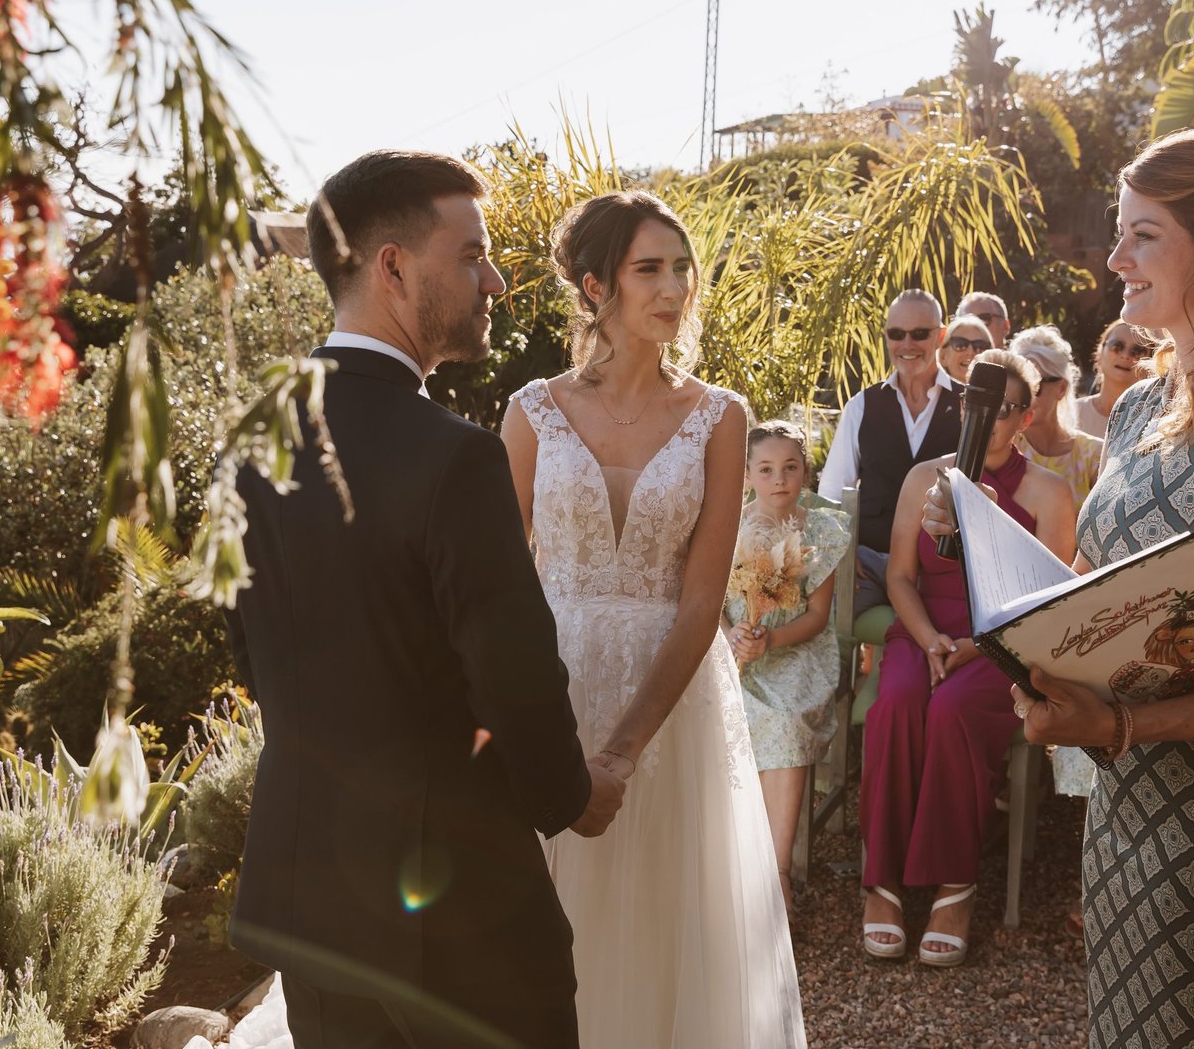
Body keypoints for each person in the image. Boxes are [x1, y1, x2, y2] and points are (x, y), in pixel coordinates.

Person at [922, 125, 1194, 1047]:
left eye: (1142, 236)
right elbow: (1100, 583)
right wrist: (999, 593)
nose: (1114, 259)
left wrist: (1115, 727)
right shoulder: (1146, 404)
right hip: (1125, 808)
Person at [224, 151, 627, 1049]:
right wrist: (572, 795)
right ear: (393, 267)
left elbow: (255, 655)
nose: (495, 281)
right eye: (473, 255)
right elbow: (513, 674)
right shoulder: (455, 456)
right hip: (458, 910)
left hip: (308, 900)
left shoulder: (248, 444)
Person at [501, 192, 806, 1048]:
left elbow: (703, 602)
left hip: (671, 710)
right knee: (542, 917)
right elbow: (495, 579)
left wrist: (623, 750)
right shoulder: (531, 412)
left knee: (666, 925)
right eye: (649, 270)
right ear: (597, 286)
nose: (673, 288)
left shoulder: (721, 415)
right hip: (549, 685)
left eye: (681, 268)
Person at [858, 349, 1076, 967]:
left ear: (1029, 414)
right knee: (895, 702)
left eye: (1007, 410)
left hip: (1001, 643)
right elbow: (900, 577)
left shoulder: (1048, 493)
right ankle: (883, 883)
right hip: (924, 630)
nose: (994, 421)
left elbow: (1046, 600)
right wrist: (928, 638)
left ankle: (955, 886)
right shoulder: (922, 478)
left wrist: (979, 644)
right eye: (981, 407)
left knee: (952, 709)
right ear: (962, 407)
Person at [724, 420, 854, 915]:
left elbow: (818, 617)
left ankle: (775, 873)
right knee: (724, 718)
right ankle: (733, 865)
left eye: (790, 467)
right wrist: (733, 635)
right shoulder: (728, 527)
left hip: (796, 651)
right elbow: (711, 603)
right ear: (748, 475)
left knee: (780, 720)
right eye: (766, 469)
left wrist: (771, 639)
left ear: (805, 471)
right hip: (733, 649)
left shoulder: (819, 530)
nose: (779, 478)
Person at [816, 289, 961, 612]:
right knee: (820, 617)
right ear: (886, 337)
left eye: (919, 334)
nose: (906, 345)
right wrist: (842, 552)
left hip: (940, 574)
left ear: (940, 336)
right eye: (897, 334)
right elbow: (830, 497)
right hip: (868, 566)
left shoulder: (968, 407)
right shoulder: (861, 406)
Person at [1009, 325, 1106, 507]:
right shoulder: (1004, 449)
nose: (1023, 398)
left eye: (1035, 387)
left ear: (1061, 388)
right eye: (1020, 386)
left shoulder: (1093, 455)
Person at [1075, 317, 1159, 438]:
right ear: (1099, 354)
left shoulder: (1154, 424)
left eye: (1137, 351)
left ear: (1149, 365)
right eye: (1117, 346)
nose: (1125, 356)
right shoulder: (1071, 413)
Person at [937, 313, 995, 388]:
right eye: (960, 345)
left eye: (980, 346)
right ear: (943, 356)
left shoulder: (1005, 397)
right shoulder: (928, 397)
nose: (970, 352)